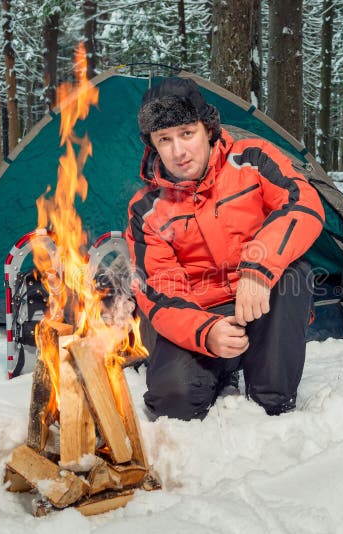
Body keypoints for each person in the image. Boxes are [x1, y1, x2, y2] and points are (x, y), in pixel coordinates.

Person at [125, 77, 325, 420]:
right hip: (199, 314)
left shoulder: (253, 160)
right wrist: (205, 332)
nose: (178, 151)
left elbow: (303, 205)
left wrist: (258, 267)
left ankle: (271, 394)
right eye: (164, 139)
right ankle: (222, 362)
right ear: (153, 146)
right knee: (172, 403)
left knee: (295, 272)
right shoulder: (145, 209)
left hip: (261, 301)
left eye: (187, 133)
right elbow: (158, 291)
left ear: (208, 128)